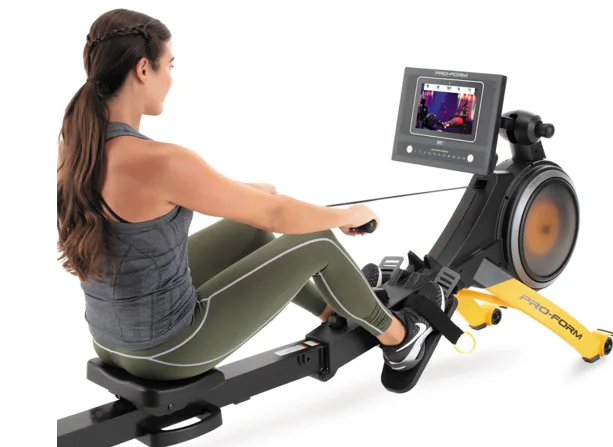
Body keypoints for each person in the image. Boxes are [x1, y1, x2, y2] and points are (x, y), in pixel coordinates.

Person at [56, 8, 446, 381]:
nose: (172, 78)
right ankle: (400, 339)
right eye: (170, 65)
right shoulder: (161, 161)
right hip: (168, 352)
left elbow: (170, 198)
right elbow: (276, 215)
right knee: (318, 241)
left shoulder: (76, 145)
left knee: (248, 231)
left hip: (110, 340)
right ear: (144, 69)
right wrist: (348, 216)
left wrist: (249, 192)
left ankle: (333, 307)